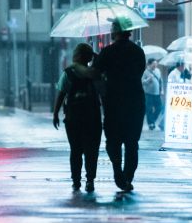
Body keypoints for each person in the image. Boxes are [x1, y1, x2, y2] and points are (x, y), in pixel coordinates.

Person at [93, 17, 146, 192]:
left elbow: (95, 73)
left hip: (113, 101)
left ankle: (117, 169)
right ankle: (127, 176)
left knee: (113, 140)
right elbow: (139, 72)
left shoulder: (107, 52)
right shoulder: (138, 52)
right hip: (135, 101)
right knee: (132, 142)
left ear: (115, 31)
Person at [52, 42, 102, 193]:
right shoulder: (95, 74)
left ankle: (76, 181)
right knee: (91, 151)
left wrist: (55, 113)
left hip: (73, 118)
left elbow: (61, 94)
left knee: (76, 150)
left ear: (76, 55)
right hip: (93, 118)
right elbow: (103, 93)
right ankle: (90, 180)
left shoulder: (68, 73)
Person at [141, 58, 163, 129]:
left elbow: (160, 81)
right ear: (149, 64)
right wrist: (148, 79)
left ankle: (152, 120)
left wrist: (162, 90)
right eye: (153, 64)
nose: (155, 66)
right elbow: (142, 82)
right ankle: (150, 124)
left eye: (156, 64)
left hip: (157, 93)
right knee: (149, 109)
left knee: (159, 108)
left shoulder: (158, 71)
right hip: (148, 93)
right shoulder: (145, 72)